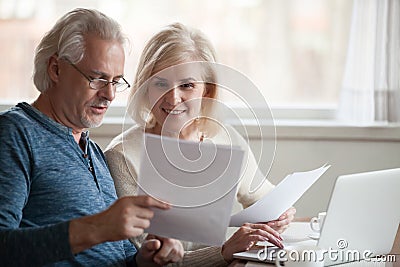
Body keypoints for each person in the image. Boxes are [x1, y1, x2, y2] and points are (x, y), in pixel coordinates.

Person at [0, 8, 184, 267]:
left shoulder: (94, 152)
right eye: (97, 78)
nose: (109, 94)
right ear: (56, 69)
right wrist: (97, 227)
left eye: (116, 81)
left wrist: (145, 259)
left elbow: (114, 258)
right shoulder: (15, 133)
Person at [105, 23, 296, 266]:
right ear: (145, 87)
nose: (174, 98)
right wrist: (225, 252)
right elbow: (148, 260)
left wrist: (280, 214)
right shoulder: (122, 156)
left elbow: (264, 197)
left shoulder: (225, 139)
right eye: (160, 83)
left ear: (207, 90)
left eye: (187, 85)